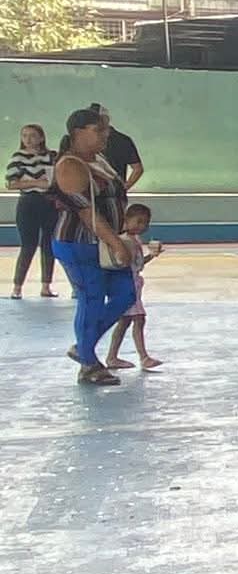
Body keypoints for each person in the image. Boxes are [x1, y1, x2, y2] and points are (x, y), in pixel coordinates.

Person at [48, 107, 132, 385]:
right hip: (79, 244)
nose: (105, 135)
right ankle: (88, 363)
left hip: (105, 244)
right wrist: (116, 242)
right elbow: (86, 212)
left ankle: (84, 345)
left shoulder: (100, 159)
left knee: (126, 294)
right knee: (91, 299)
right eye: (98, 130)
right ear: (77, 133)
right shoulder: (69, 166)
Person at [102, 203, 162, 370]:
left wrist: (152, 256)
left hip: (133, 284)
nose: (142, 226)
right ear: (127, 220)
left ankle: (112, 356)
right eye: (138, 221)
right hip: (128, 285)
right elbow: (125, 263)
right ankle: (143, 357)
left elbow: (137, 264)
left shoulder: (135, 240)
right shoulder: (124, 241)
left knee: (125, 322)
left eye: (145, 223)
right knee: (138, 319)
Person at [8, 123, 58, 298]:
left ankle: (46, 286)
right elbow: (11, 183)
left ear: (41, 138)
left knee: (48, 245)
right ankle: (17, 287)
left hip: (49, 203)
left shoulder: (51, 156)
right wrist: (36, 183)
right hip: (28, 203)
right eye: (25, 136)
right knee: (28, 245)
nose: (28, 139)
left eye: (32, 135)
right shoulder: (18, 157)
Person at [90, 104, 143, 191]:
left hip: (109, 193)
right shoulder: (123, 140)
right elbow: (138, 169)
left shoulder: (122, 140)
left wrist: (123, 189)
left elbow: (138, 169)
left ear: (106, 119)